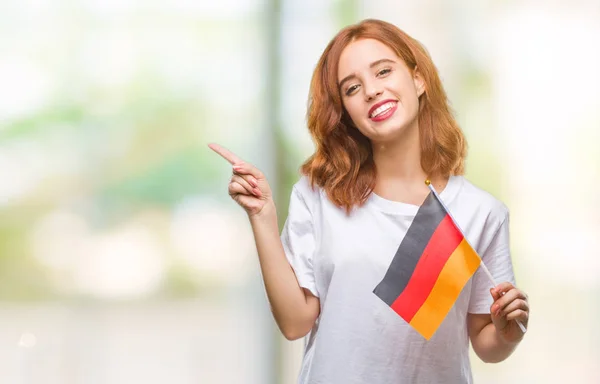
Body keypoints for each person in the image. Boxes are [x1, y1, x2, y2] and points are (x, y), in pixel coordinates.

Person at [209, 18, 529, 384]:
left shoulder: (479, 212)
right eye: (352, 88)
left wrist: (510, 331)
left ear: (418, 79)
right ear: (345, 112)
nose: (372, 91)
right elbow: (296, 322)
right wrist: (262, 215)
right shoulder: (318, 195)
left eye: (383, 72)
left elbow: (486, 343)